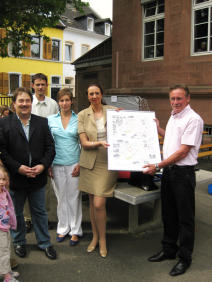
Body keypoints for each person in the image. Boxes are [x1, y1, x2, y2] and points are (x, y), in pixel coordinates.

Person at [143, 85, 203, 276]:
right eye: (172, 99)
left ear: (188, 99)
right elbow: (171, 139)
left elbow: (183, 151)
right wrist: (158, 128)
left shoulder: (193, 119)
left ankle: (184, 258)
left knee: (185, 218)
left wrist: (158, 165)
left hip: (183, 174)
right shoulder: (175, 115)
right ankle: (169, 250)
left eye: (179, 99)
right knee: (168, 214)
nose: (175, 102)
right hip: (170, 172)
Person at [0, 87, 57, 260]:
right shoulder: (4, 123)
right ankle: (19, 242)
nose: (24, 104)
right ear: (14, 104)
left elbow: (50, 148)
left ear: (31, 103)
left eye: (27, 101)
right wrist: (18, 168)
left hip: (38, 176)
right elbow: (2, 151)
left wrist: (43, 166)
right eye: (21, 101)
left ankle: (45, 242)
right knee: (16, 212)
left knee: (39, 211)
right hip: (16, 178)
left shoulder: (42, 122)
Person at [78, 84, 118, 258]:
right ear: (87, 96)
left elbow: (128, 125)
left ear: (102, 94)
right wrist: (99, 143)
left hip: (108, 160)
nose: (94, 96)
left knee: (99, 203)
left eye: (96, 93)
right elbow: (84, 143)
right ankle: (94, 237)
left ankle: (103, 239)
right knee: (93, 202)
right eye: (90, 94)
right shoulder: (82, 115)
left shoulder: (113, 111)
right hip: (89, 161)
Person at [24, 73, 59, 231]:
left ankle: (43, 218)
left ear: (47, 86)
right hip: (27, 148)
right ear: (33, 85)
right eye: (37, 84)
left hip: (45, 149)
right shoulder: (28, 102)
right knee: (25, 184)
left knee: (44, 187)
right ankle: (27, 219)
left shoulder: (53, 104)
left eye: (43, 84)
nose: (40, 87)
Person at [48, 88, 82, 245]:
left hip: (74, 163)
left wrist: (80, 163)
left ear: (72, 101)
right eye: (61, 100)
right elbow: (47, 143)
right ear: (58, 102)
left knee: (74, 198)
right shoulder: (50, 120)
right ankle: (63, 228)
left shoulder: (79, 119)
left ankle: (75, 230)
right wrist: (47, 164)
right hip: (56, 163)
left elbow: (83, 142)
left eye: (67, 100)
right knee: (61, 198)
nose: (64, 103)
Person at [0, 165, 19, 282]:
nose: (1, 182)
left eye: (3, 179)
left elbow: (10, 208)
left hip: (5, 227)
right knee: (3, 251)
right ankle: (6, 275)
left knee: (7, 248)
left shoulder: (4, 192)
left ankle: (7, 269)